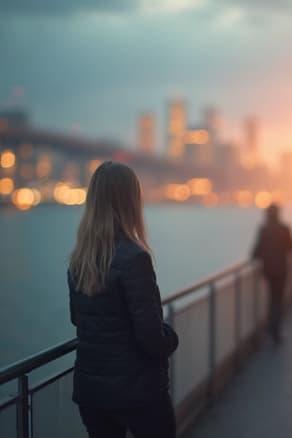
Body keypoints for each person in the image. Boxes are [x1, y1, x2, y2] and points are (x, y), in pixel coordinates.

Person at [68, 162, 179, 438]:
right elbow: (150, 336)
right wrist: (171, 338)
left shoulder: (79, 260)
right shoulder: (135, 258)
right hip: (139, 392)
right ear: (130, 201)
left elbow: (77, 319)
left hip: (92, 393)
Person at [252, 203, 292, 344]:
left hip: (268, 270)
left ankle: (271, 327)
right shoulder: (285, 229)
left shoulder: (264, 229)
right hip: (282, 269)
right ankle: (276, 328)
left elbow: (256, 250)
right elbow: (291, 247)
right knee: (279, 298)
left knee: (271, 298)